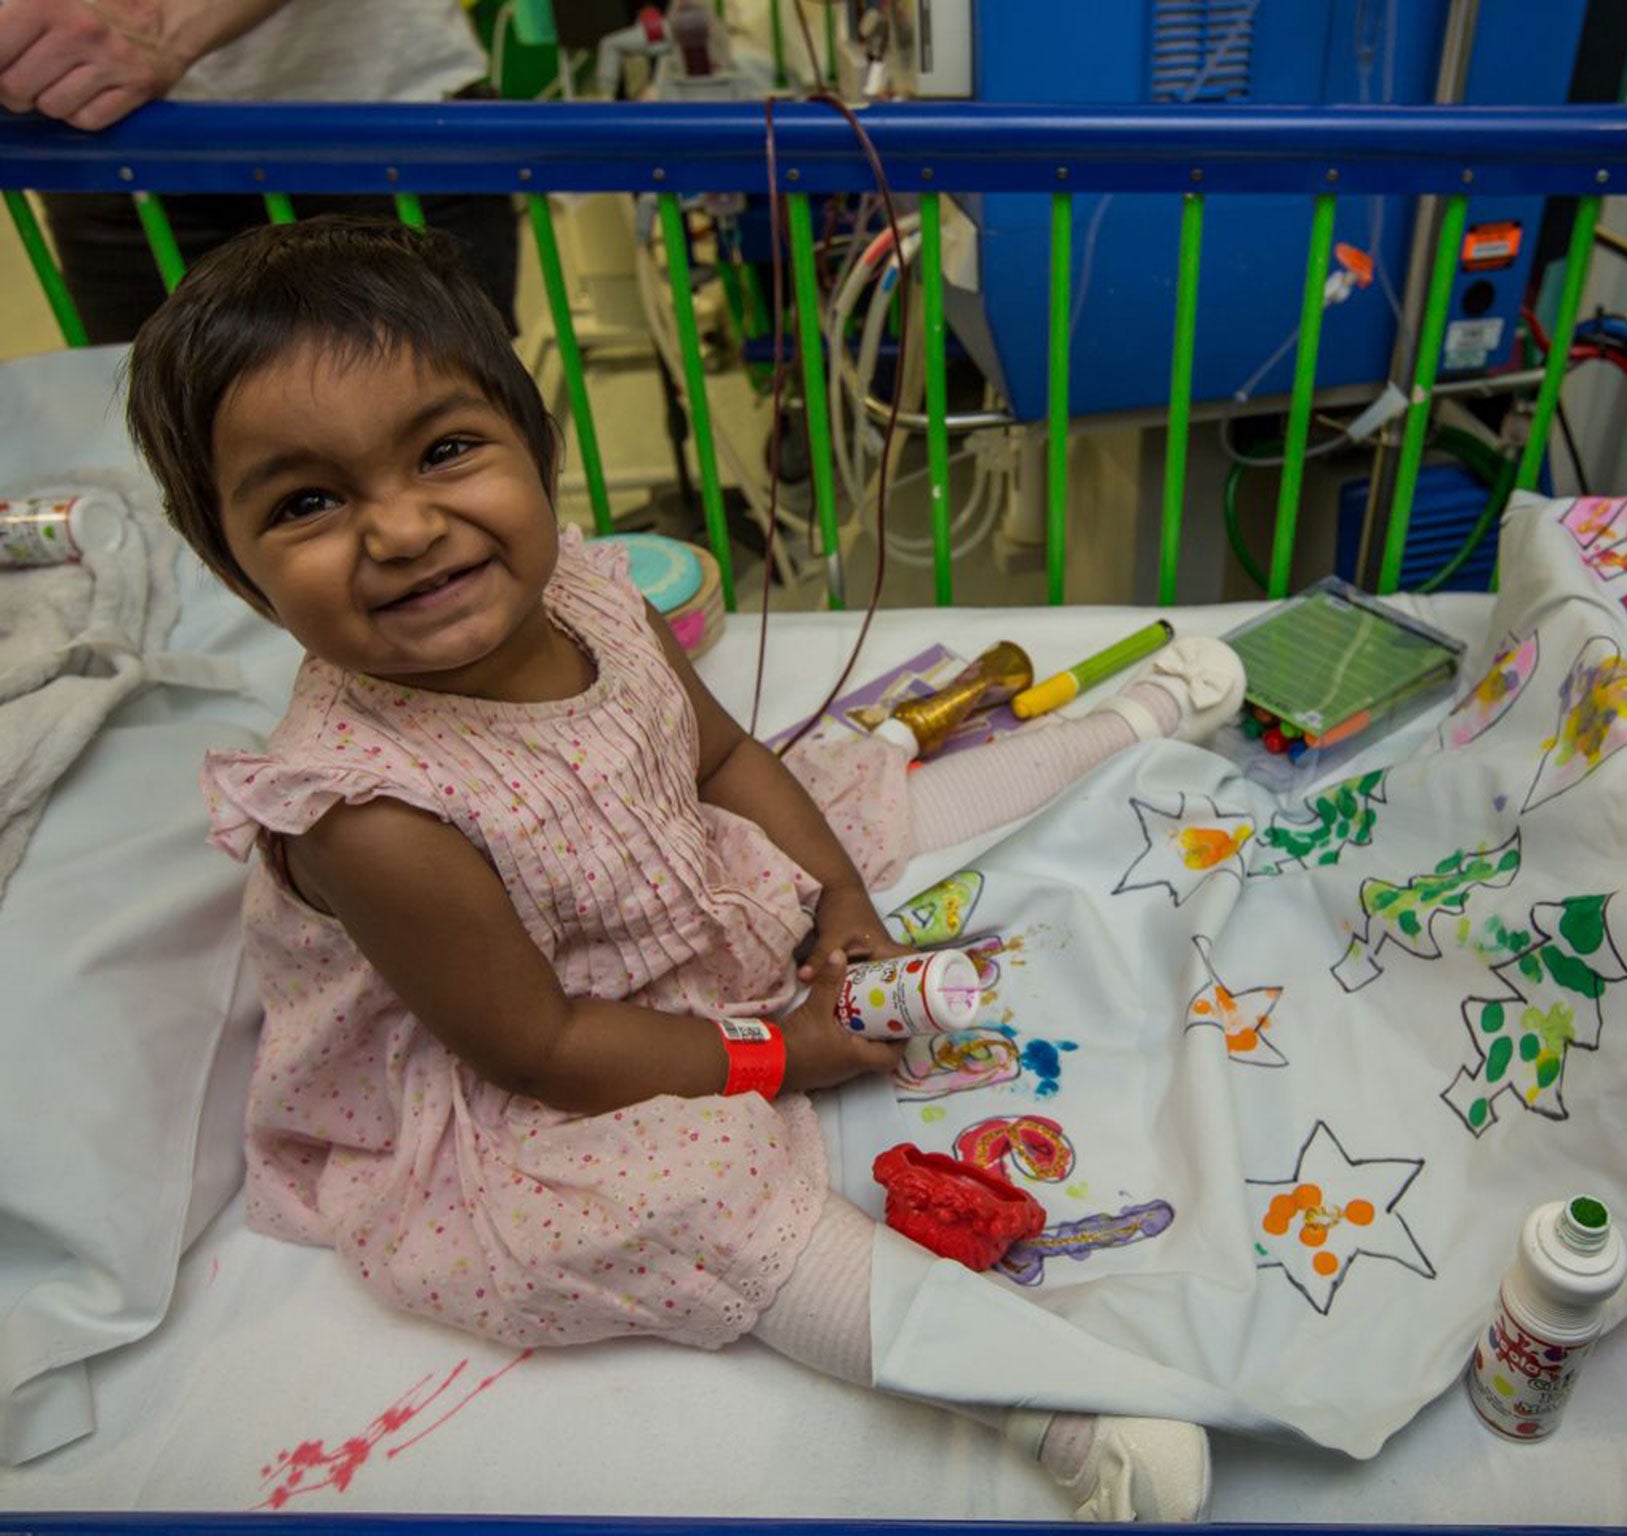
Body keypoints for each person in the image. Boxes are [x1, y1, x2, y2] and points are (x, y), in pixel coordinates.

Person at [124, 217, 1245, 1522]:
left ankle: (1142, 715)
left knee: (855, 789)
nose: (403, 526)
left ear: (534, 453)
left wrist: (842, 898)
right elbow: (538, 1048)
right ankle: (1042, 1399)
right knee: (683, 1196)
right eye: (308, 503)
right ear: (238, 570)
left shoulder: (601, 597)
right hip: (537, 1052)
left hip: (669, 892)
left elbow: (722, 758)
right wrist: (786, 1054)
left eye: (444, 451)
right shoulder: (369, 813)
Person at [0, 0, 516, 339]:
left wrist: (157, 28)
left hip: (388, 119)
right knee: (156, 459)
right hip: (108, 142)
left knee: (427, 428)